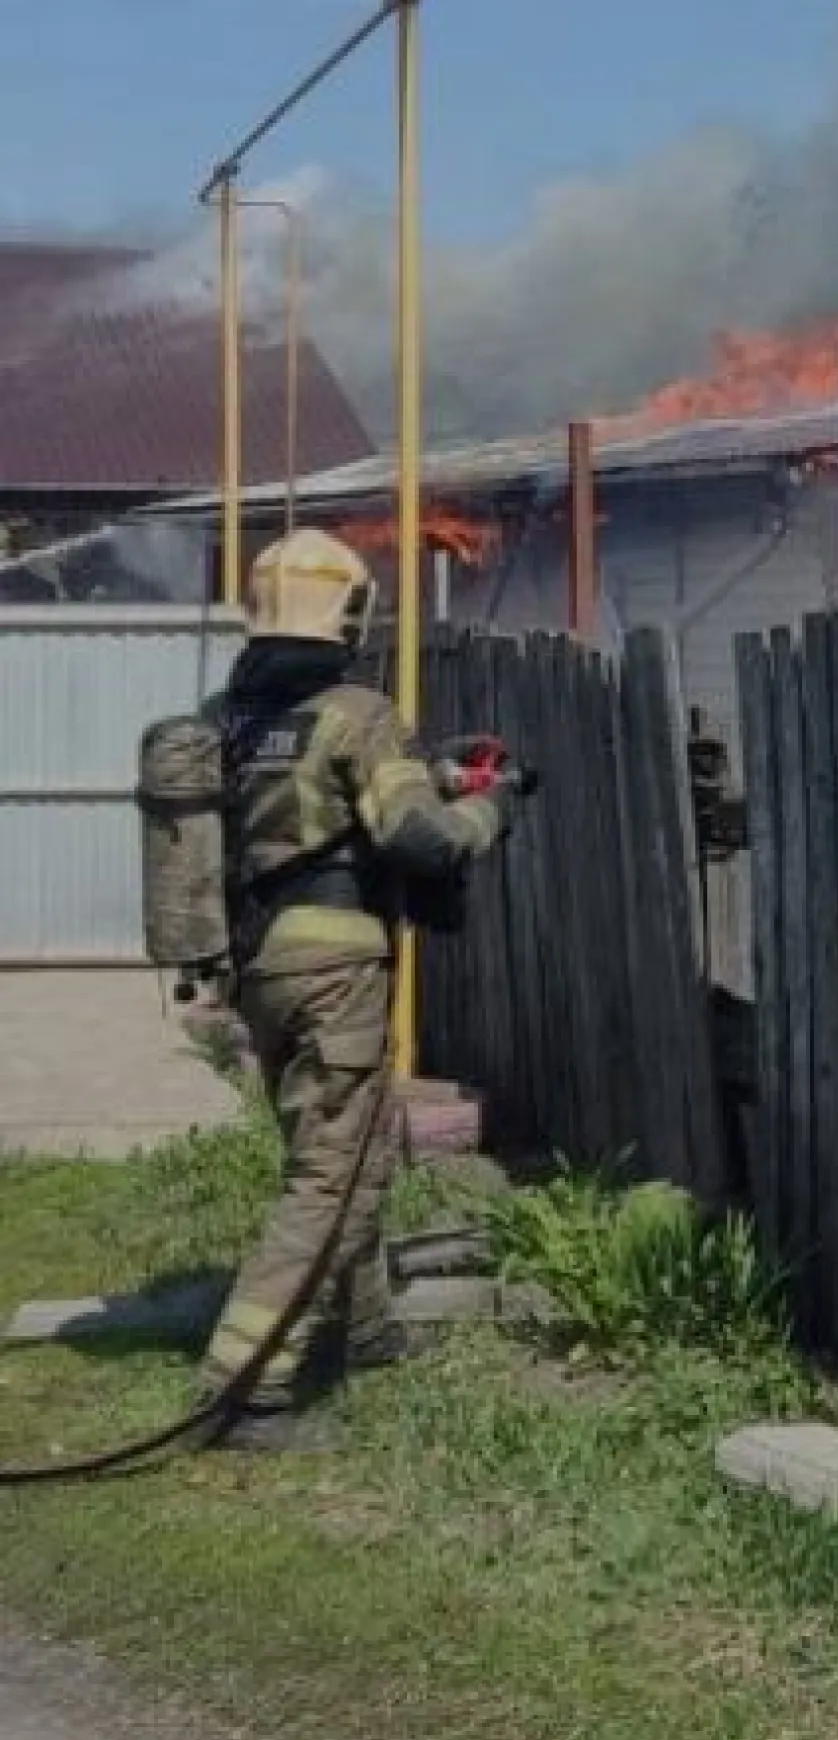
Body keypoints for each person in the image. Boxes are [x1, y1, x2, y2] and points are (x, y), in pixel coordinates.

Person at [203, 524, 521, 1452]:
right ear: (348, 611)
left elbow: (312, 810)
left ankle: (368, 1329)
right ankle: (243, 1388)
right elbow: (420, 841)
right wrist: (491, 807)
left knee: (360, 1144)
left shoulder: (228, 718)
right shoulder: (357, 711)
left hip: (261, 965)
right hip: (335, 968)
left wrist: (434, 769)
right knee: (325, 1172)